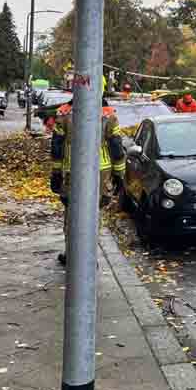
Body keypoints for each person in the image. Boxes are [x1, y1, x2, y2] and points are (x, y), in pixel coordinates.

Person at [49, 91, 126, 266]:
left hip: (72, 171)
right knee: (94, 214)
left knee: (71, 214)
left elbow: (57, 147)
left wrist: (55, 173)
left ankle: (71, 253)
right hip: (101, 172)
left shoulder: (64, 113)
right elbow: (116, 147)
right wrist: (119, 175)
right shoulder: (108, 115)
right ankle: (90, 257)